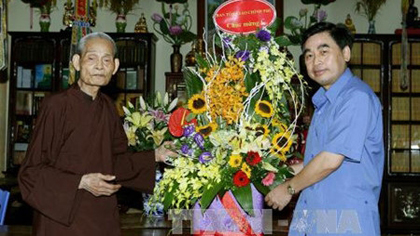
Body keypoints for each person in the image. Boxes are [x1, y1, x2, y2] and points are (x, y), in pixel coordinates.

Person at [18, 32, 174, 236]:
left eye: (106, 59)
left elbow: (116, 162)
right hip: (61, 217)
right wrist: (81, 182)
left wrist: (156, 155)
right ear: (76, 62)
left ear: (115, 66)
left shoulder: (108, 108)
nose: (100, 66)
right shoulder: (57, 106)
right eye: (92, 58)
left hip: (100, 215)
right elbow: (30, 172)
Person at [265, 22, 384, 235]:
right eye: (309, 55)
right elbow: (315, 160)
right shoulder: (324, 103)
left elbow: (330, 159)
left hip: (346, 221)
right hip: (314, 217)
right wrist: (275, 174)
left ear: (346, 53)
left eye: (324, 51)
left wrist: (289, 188)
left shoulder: (356, 98)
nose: (316, 61)